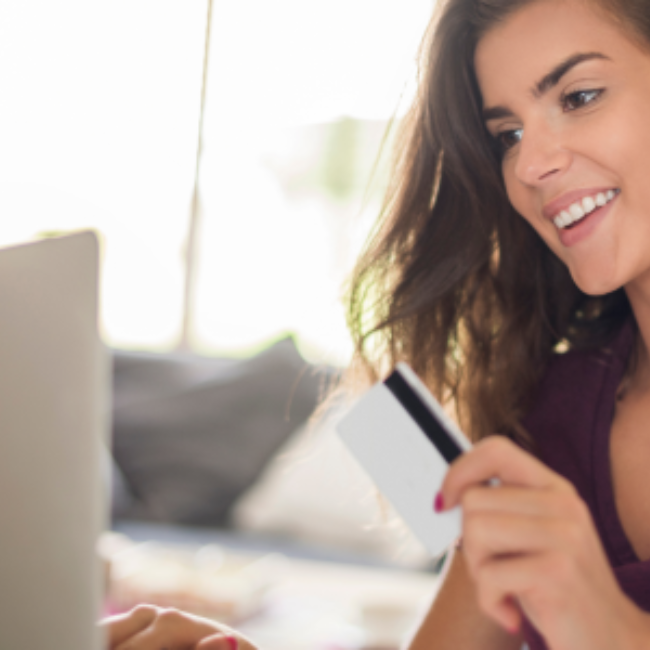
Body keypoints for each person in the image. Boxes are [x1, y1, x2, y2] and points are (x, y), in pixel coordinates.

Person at [102, 0, 650, 648]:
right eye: (508, 135)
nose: (531, 166)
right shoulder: (550, 420)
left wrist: (610, 626)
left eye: (580, 96)